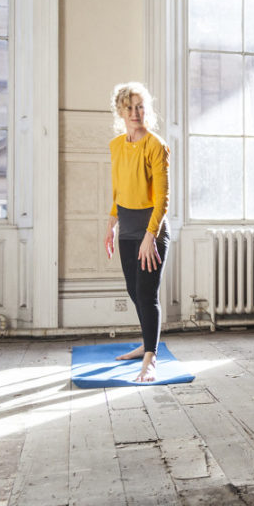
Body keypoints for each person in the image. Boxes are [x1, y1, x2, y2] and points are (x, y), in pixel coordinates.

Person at [103, 82, 171, 383]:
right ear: (120, 111)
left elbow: (162, 199)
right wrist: (111, 223)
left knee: (147, 294)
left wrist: (149, 236)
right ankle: (146, 342)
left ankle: (151, 359)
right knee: (134, 291)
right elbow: (119, 190)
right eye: (129, 107)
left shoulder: (156, 146)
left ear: (147, 109)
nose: (135, 112)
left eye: (140, 106)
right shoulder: (116, 146)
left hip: (150, 231)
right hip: (127, 229)